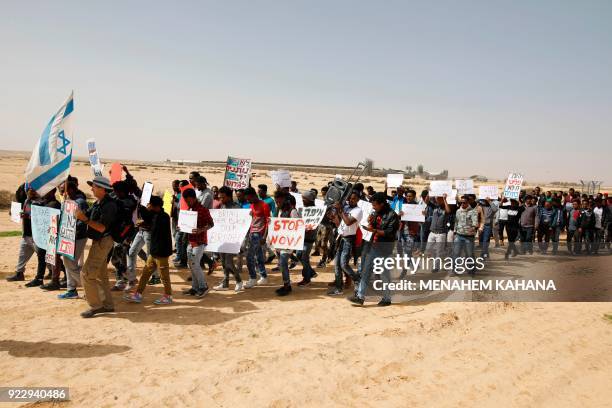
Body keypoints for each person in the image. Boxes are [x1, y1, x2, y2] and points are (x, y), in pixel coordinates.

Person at [75, 176, 118, 318]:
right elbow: (87, 216)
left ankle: (96, 305)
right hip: (99, 241)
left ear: (102, 189)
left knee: (86, 274)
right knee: (100, 276)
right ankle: (108, 305)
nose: (91, 188)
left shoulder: (109, 205)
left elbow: (101, 227)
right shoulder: (99, 202)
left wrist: (85, 219)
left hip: (103, 241)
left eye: (93, 186)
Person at [349, 192, 399, 306]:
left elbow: (390, 233)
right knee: (366, 271)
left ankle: (386, 299)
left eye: (375, 205)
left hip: (385, 248)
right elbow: (373, 226)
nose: (373, 207)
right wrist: (371, 221)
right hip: (373, 246)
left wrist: (374, 230)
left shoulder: (392, 216)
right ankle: (360, 297)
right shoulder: (376, 212)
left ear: (382, 204)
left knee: (384, 274)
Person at [124, 196, 174, 304]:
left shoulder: (163, 217)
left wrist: (143, 217)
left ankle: (168, 296)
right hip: (154, 251)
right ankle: (138, 294)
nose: (148, 206)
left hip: (161, 252)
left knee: (164, 276)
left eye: (149, 205)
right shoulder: (156, 215)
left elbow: (151, 222)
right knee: (145, 273)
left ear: (154, 206)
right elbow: (149, 220)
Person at [57, 181, 90, 299]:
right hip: (67, 237)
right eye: (60, 189)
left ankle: (89, 288)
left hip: (78, 237)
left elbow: (83, 220)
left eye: (62, 188)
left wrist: (71, 228)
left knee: (70, 263)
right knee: (68, 263)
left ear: (70, 189)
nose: (60, 191)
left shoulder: (80, 202)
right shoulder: (66, 201)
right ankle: (71, 289)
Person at [327, 191, 362, 296]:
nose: (351, 200)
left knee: (343, 264)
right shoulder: (346, 208)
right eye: (350, 198)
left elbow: (348, 222)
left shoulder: (358, 211)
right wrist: (333, 216)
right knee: (337, 265)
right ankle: (338, 287)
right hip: (341, 238)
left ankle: (357, 279)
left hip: (349, 240)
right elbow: (340, 224)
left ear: (358, 200)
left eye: (354, 199)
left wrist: (340, 210)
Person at [181, 188, 214, 297]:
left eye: (188, 200)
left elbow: (211, 224)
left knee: (195, 264)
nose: (187, 202)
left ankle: (203, 286)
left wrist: (201, 230)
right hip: (191, 241)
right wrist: (181, 226)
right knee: (191, 265)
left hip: (200, 241)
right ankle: (195, 288)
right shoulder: (189, 210)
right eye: (186, 200)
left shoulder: (202, 209)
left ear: (194, 198)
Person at [212, 186, 244, 292]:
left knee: (229, 262)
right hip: (222, 239)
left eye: (223, 197)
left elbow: (242, 224)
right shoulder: (222, 206)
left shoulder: (237, 208)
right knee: (224, 263)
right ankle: (225, 283)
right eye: (220, 197)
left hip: (233, 240)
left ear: (229, 197)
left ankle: (239, 281)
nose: (221, 199)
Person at [7, 187, 40, 282]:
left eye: (32, 192)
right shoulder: (26, 201)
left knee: (44, 257)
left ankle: (59, 272)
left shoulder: (40, 203)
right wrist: (14, 213)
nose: (30, 193)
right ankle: (19, 273)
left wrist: (28, 216)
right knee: (22, 255)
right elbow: (23, 212)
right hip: (26, 234)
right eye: (29, 192)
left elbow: (42, 217)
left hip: (35, 235)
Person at [244, 187, 270, 288]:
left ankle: (253, 278)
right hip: (252, 233)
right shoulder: (252, 205)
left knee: (250, 257)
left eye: (249, 198)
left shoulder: (264, 205)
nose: (248, 200)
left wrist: (264, 236)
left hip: (259, 234)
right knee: (258, 256)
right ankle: (263, 276)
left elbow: (268, 222)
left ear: (254, 195)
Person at [274, 192, 300, 296]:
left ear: (286, 201)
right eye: (277, 202)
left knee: (284, 262)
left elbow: (297, 226)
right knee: (282, 263)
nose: (278, 203)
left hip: (288, 243)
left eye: (279, 201)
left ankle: (287, 285)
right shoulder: (281, 211)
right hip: (281, 242)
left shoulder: (292, 212)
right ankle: (286, 284)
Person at [295, 190, 318, 286]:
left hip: (309, 237)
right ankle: (311, 272)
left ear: (309, 200)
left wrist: (310, 227)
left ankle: (306, 278)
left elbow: (316, 223)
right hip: (302, 236)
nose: (303, 200)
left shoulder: (316, 211)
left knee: (303, 256)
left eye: (304, 199)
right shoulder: (303, 209)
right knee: (299, 255)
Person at [452, 195, 479, 275]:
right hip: (459, 236)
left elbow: (475, 223)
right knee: (456, 253)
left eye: (464, 202)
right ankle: (455, 270)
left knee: (469, 254)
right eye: (461, 202)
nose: (462, 204)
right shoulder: (458, 211)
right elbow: (456, 222)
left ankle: (471, 269)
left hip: (469, 237)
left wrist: (474, 227)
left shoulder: (473, 211)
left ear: (468, 202)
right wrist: (455, 232)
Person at [426, 194, 451, 271]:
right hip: (432, 232)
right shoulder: (435, 206)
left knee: (439, 251)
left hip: (441, 233)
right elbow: (426, 201)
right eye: (436, 198)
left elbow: (448, 211)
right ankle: (443, 256)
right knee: (429, 248)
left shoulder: (446, 207)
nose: (436, 199)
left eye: (438, 198)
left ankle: (436, 266)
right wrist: (429, 194)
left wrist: (444, 200)